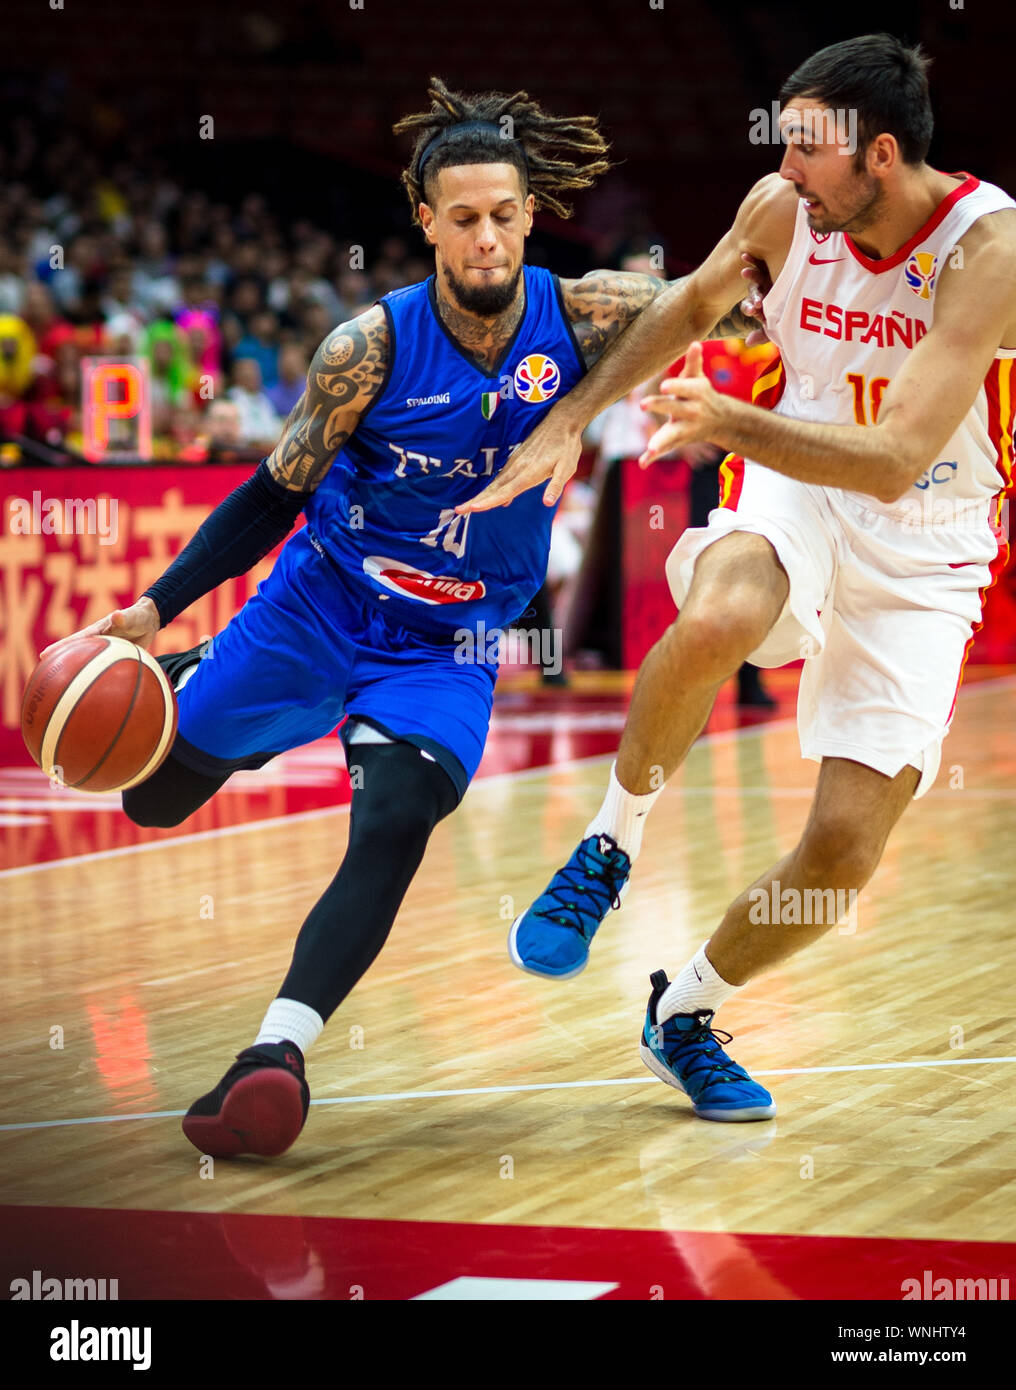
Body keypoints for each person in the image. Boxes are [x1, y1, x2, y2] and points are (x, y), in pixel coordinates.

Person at [40, 77, 696, 1159]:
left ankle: (273, 1055)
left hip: (444, 645)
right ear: (424, 219)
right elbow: (274, 490)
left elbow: (711, 296)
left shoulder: (585, 314)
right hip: (321, 604)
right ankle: (216, 673)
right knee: (149, 799)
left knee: (393, 821)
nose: (486, 240)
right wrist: (156, 609)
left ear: (531, 214)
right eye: (464, 218)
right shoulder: (367, 349)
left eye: (503, 215)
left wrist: (578, 413)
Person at [459, 34, 1016, 1121]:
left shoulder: (985, 252)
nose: (782, 162)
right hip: (792, 484)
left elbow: (899, 454)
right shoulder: (778, 209)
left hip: (927, 537)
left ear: (881, 154)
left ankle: (684, 1012)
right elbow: (684, 304)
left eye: (806, 146)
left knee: (840, 857)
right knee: (721, 612)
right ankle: (606, 848)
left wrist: (726, 417)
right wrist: (573, 415)